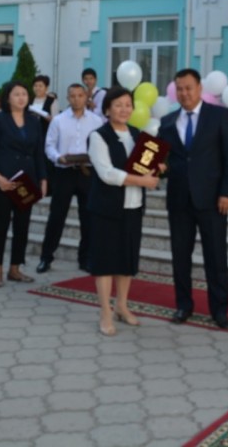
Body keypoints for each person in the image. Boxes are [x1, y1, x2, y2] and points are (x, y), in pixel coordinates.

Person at [158, 69, 228, 329]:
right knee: (180, 256)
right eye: (179, 89)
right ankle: (184, 305)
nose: (184, 93)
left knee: (216, 257)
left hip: (213, 200)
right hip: (179, 200)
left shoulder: (219, 116)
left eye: (188, 88)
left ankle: (220, 310)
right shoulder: (167, 121)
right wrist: (154, 169)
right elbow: (159, 159)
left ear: (199, 88)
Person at [87, 87, 163, 336]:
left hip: (133, 206)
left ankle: (121, 306)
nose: (124, 109)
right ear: (107, 109)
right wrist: (142, 181)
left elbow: (142, 166)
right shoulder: (98, 136)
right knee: (105, 262)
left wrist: (156, 167)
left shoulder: (137, 134)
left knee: (126, 261)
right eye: (118, 105)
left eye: (128, 104)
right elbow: (107, 173)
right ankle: (105, 313)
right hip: (106, 208)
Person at [0, 81, 47, 288]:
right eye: (16, 94)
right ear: (8, 98)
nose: (21, 98)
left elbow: (39, 153)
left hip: (25, 181)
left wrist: (43, 179)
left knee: (22, 226)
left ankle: (15, 268)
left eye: (24, 94)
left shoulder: (34, 121)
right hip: (2, 181)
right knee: (0, 226)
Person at [38, 83, 103, 274]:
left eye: (80, 95)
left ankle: (86, 259)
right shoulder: (58, 120)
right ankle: (46, 257)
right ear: (68, 98)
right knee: (56, 216)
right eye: (72, 96)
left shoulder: (96, 121)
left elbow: (101, 145)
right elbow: (49, 145)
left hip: (87, 173)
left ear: (86, 97)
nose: (76, 99)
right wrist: (58, 157)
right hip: (64, 172)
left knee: (88, 217)